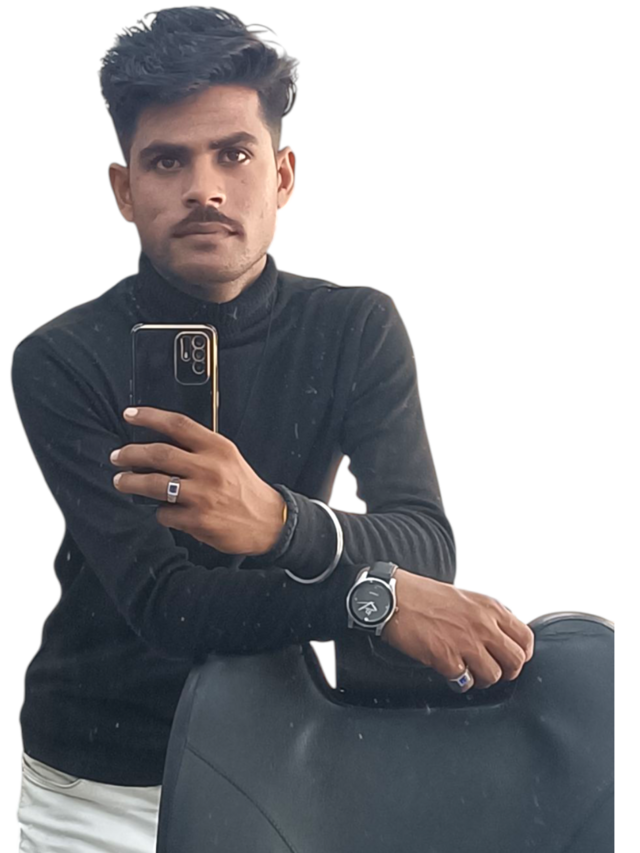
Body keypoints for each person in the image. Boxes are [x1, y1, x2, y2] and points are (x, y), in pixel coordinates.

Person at [12, 7, 534, 852]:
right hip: (97, 777)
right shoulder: (61, 358)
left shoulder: (354, 327)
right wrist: (373, 597)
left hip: (281, 751)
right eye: (168, 160)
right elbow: (164, 602)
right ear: (124, 189)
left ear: (283, 175)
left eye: (234, 154)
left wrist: (280, 523)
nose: (205, 189)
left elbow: (427, 542)